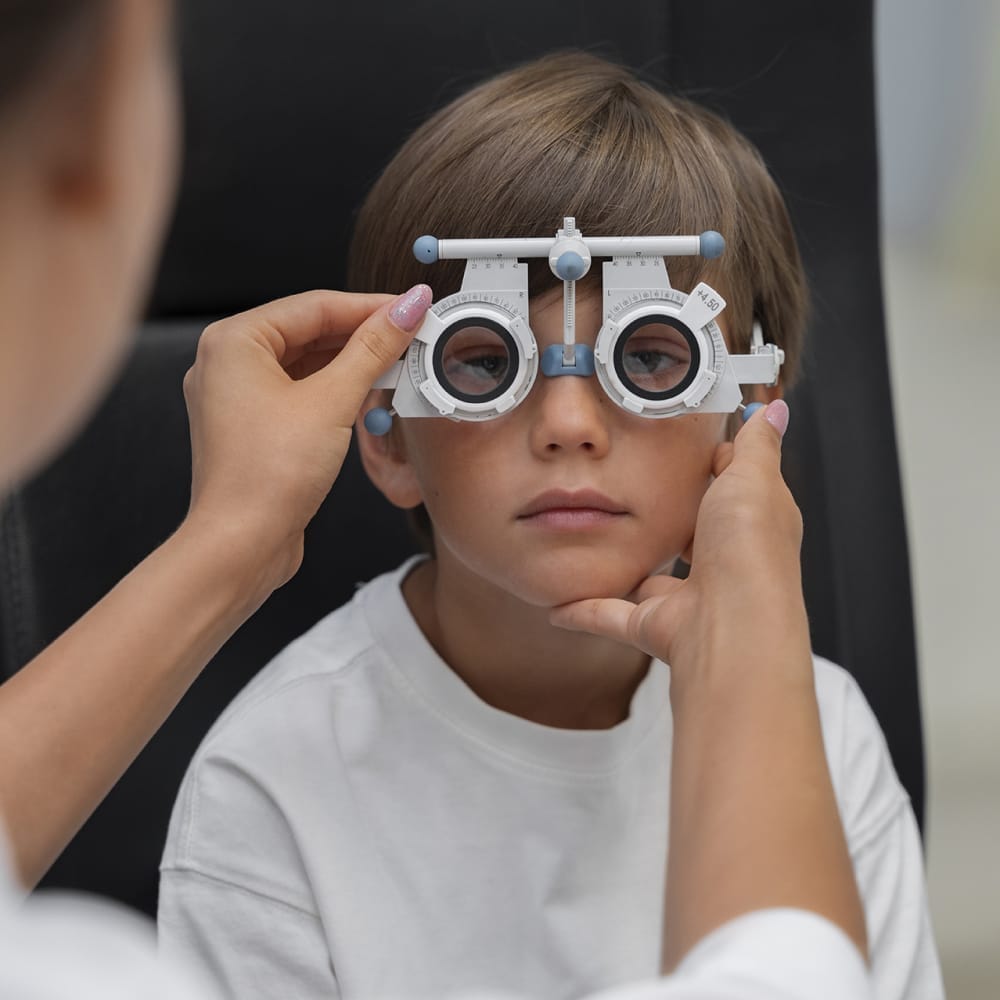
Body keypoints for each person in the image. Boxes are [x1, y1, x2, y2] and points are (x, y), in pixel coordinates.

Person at [0, 2, 905, 998]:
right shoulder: (277, 779)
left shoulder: (824, 737)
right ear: (385, 431)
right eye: (485, 361)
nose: (568, 422)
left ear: (742, 420)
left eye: (649, 356)